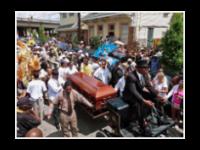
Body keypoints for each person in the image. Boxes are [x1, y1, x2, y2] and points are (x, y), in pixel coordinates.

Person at [123, 59, 155, 135]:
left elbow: (149, 86)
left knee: (153, 97)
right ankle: (142, 127)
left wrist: (157, 95)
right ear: (139, 68)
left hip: (138, 93)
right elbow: (133, 91)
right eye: (145, 68)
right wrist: (144, 101)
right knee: (138, 104)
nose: (147, 69)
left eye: (147, 68)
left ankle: (154, 116)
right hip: (129, 96)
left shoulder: (145, 74)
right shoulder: (131, 76)